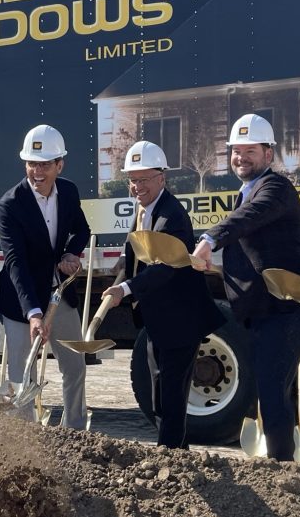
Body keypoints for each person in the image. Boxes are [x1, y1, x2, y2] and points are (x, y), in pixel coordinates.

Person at [190, 113, 300, 462]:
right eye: (236, 150)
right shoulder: (247, 191)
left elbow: (246, 220)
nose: (241, 157)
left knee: (271, 388)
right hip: (264, 309)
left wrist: (209, 240)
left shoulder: (275, 188)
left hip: (287, 306)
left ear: (268, 154)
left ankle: (283, 470)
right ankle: (282, 464)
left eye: (250, 150)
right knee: (272, 387)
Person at [102, 140, 223, 448]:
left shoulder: (173, 216)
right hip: (158, 318)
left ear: (162, 178)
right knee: (159, 390)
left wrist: (125, 288)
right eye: (132, 179)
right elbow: (141, 248)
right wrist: (125, 263)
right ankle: (172, 453)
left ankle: (170, 458)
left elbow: (167, 267)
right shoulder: (144, 209)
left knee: (171, 394)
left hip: (181, 320)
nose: (137, 186)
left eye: (144, 179)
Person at [0, 124, 91, 429]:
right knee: (23, 373)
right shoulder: (10, 204)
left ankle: (74, 431)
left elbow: (82, 230)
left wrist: (71, 253)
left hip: (59, 292)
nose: (37, 171)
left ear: (59, 164)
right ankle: (27, 437)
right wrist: (33, 313)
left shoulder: (69, 191)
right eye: (31, 163)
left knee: (75, 365)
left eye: (45, 164)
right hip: (21, 301)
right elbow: (15, 262)